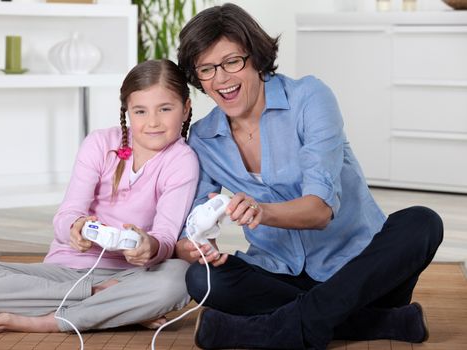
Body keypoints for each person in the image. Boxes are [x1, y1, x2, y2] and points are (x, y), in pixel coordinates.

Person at [175, 3, 443, 350]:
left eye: (231, 62)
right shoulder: (203, 138)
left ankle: (266, 330)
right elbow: (191, 229)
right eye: (207, 69)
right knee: (200, 278)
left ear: (255, 56)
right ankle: (364, 320)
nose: (221, 79)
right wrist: (196, 247)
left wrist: (262, 211)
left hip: (358, 269)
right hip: (280, 275)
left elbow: (319, 211)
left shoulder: (308, 98)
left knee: (423, 223)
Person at [0, 59, 199, 334]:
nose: (152, 122)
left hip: (134, 275)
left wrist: (148, 246)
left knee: (180, 278)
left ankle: (52, 320)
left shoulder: (182, 161)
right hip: (66, 271)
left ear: (185, 110)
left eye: (165, 109)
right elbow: (66, 216)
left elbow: (165, 238)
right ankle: (109, 303)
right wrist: (75, 227)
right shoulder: (100, 143)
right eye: (140, 111)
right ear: (127, 111)